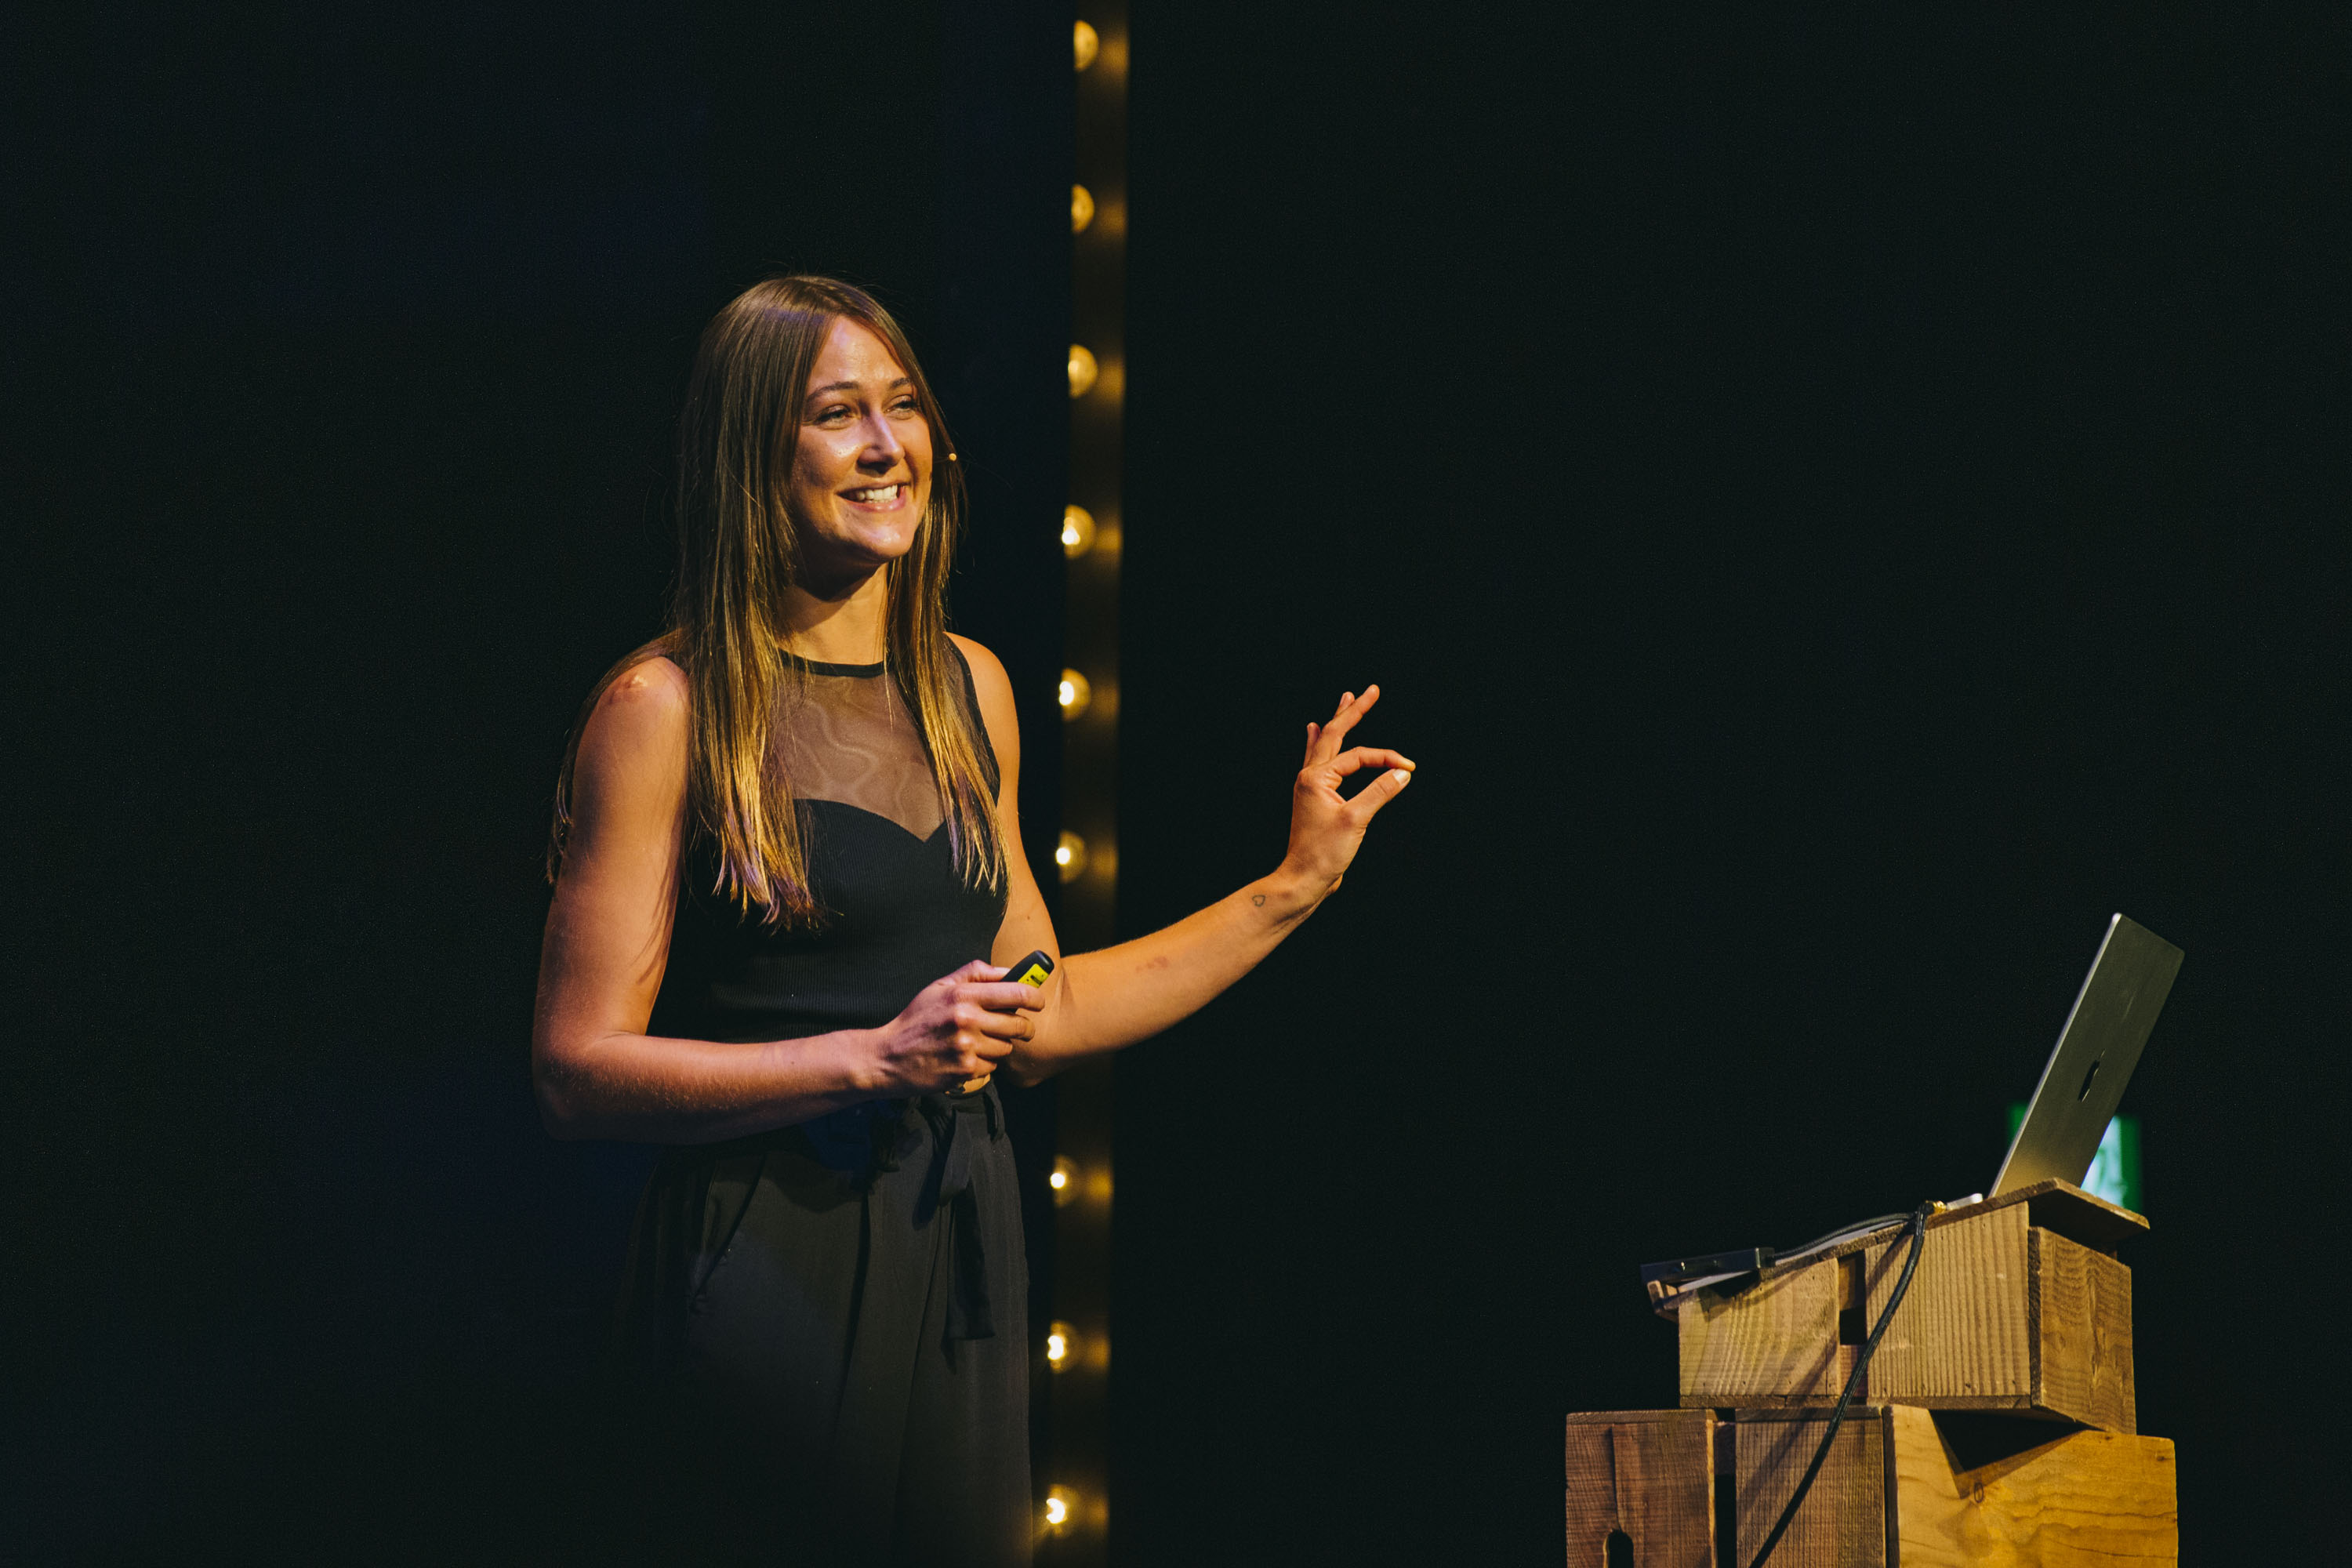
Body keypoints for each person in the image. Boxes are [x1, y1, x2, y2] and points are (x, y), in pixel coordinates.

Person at [530, 275, 1414, 1566]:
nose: (887, 446)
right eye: (838, 413)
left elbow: (1041, 1009)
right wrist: (872, 1058)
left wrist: (1293, 885)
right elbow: (575, 1071)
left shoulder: (967, 690)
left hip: (954, 1241)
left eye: (904, 406)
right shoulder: (667, 709)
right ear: (752, 455)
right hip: (771, 1248)